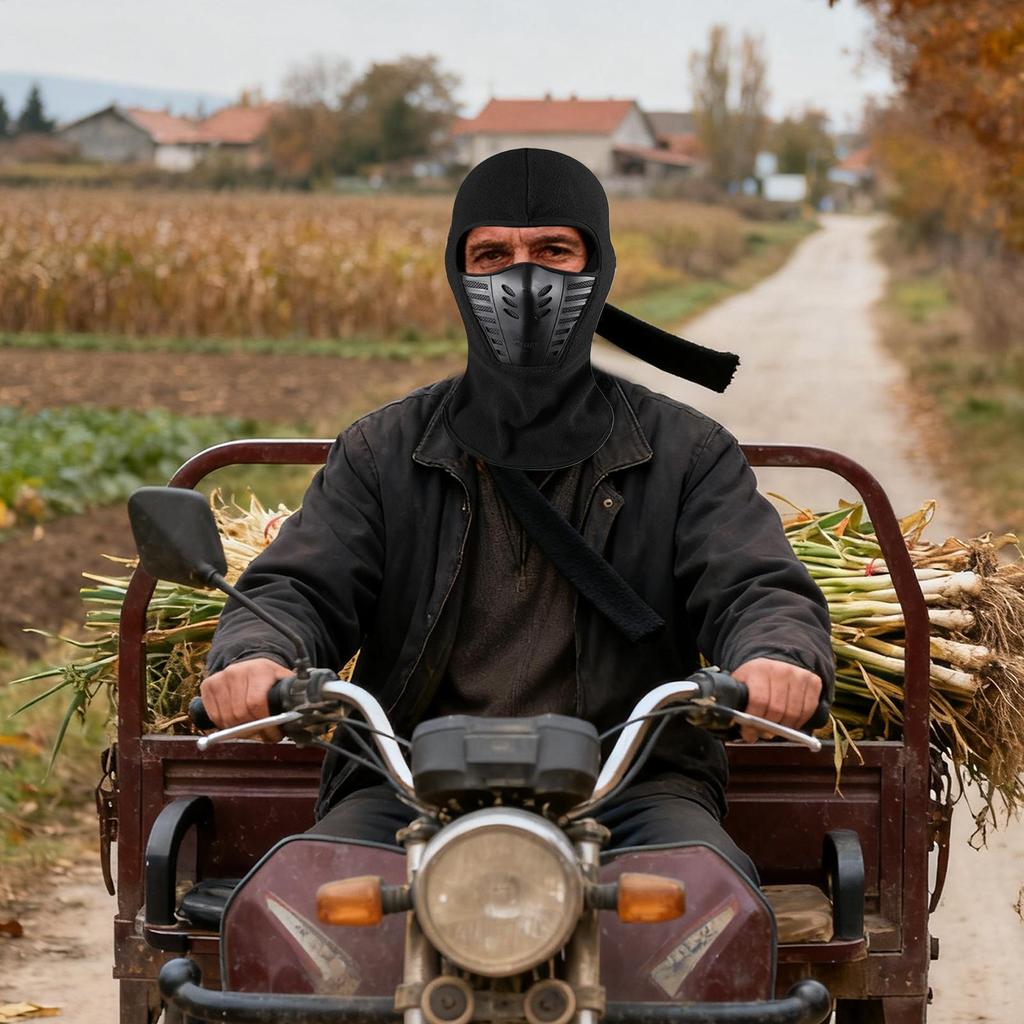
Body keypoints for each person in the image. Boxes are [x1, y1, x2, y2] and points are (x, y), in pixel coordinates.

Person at [202, 148, 834, 884]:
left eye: (554, 252)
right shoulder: (383, 451)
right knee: (305, 910)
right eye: (493, 254)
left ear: (598, 271)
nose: (524, 279)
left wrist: (777, 658)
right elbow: (300, 586)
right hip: (409, 781)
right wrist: (255, 653)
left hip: (630, 788)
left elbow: (755, 584)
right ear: (457, 272)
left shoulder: (688, 452)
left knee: (703, 911)